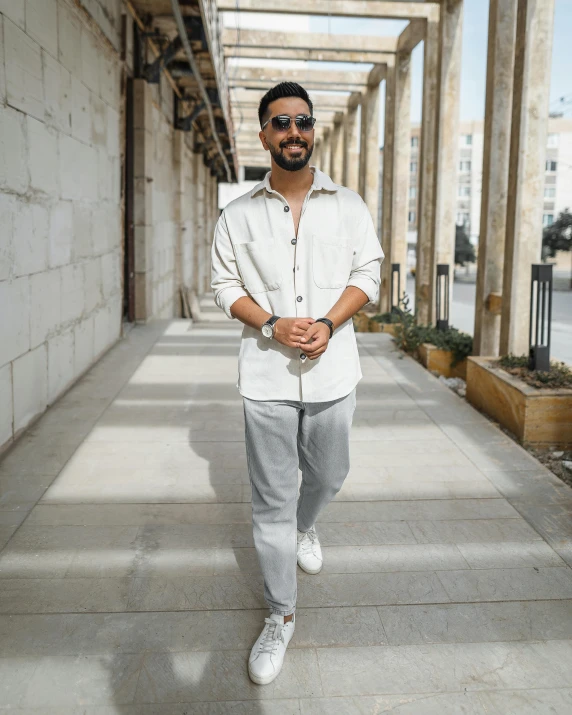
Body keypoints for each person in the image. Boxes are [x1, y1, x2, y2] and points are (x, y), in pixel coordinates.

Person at [210, 82, 384, 685]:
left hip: (335, 371)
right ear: (263, 135)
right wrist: (271, 323)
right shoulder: (236, 215)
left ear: (313, 131)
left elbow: (370, 272)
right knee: (271, 503)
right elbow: (224, 286)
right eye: (280, 122)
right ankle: (280, 614)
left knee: (331, 473)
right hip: (266, 378)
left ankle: (306, 526)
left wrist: (331, 323)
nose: (293, 132)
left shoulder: (350, 207)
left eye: (303, 122)